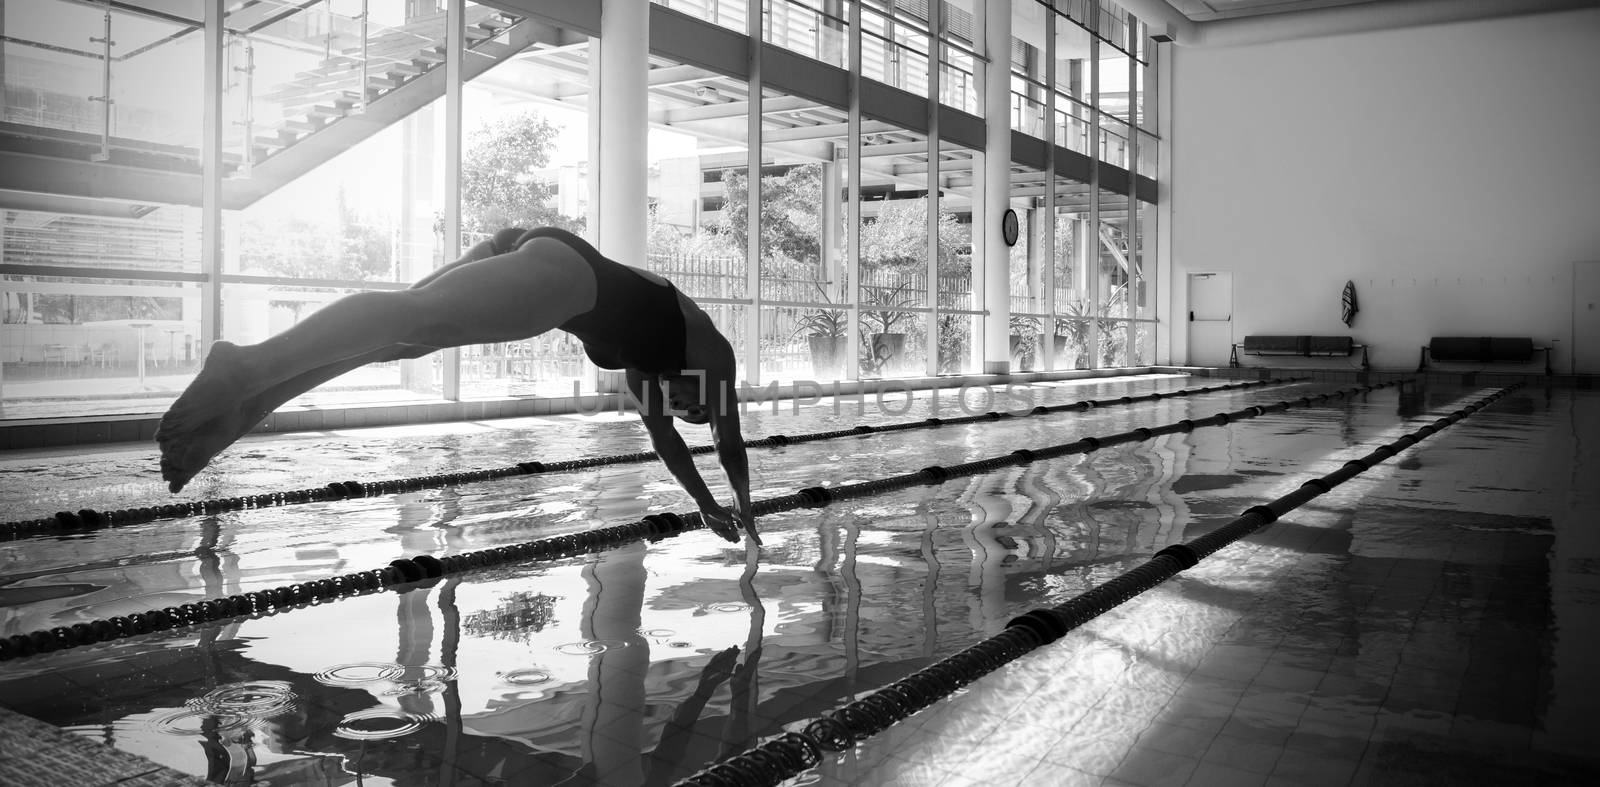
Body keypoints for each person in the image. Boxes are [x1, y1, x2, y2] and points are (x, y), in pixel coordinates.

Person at [156, 226, 759, 545]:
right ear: (709, 392)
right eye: (693, 405)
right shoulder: (708, 349)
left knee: (403, 338)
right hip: (566, 272)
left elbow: (667, 445)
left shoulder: (645, 373)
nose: (680, 408)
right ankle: (246, 366)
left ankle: (255, 401)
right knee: (413, 316)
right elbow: (728, 445)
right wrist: (747, 511)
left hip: (537, 258)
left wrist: (706, 509)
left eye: (683, 410)